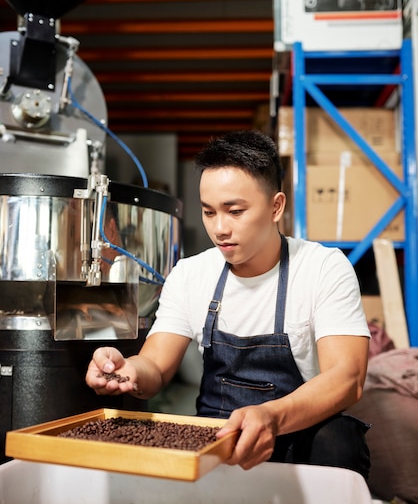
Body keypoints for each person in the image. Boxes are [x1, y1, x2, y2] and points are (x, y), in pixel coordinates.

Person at [86, 130, 371, 478]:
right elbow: (155, 367)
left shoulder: (322, 268)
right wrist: (127, 371)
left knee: (339, 441)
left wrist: (271, 417)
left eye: (235, 211)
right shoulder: (191, 274)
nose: (220, 228)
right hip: (217, 435)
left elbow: (347, 377)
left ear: (276, 207)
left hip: (295, 432)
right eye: (208, 212)